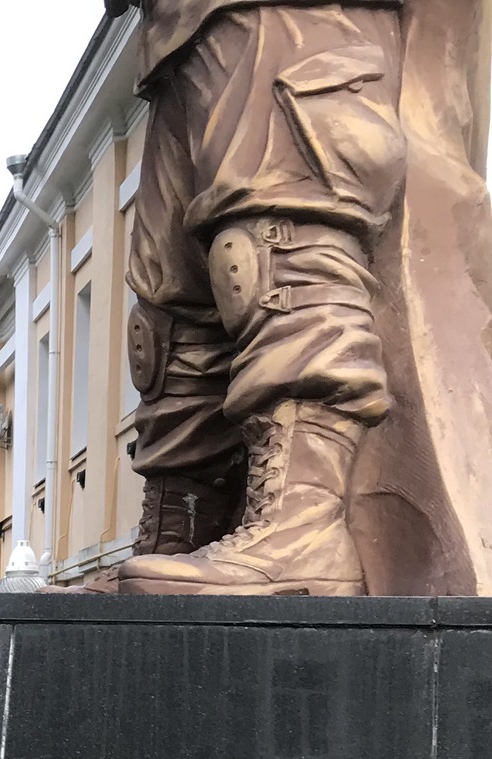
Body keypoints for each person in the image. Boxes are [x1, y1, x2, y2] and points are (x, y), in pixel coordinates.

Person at [108, 0, 404, 595]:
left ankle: (302, 528)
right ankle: (182, 531)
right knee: (172, 314)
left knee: (275, 252)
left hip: (297, 16)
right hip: (176, 32)